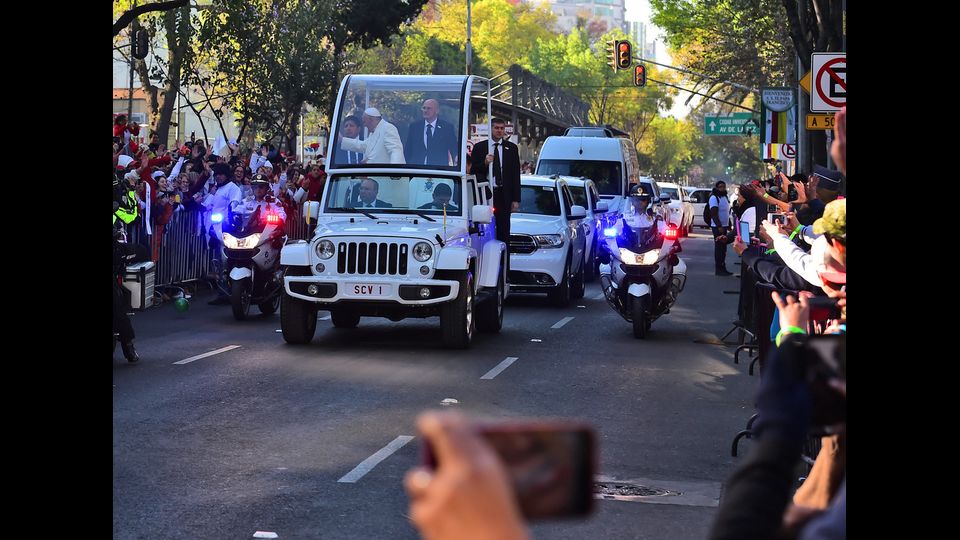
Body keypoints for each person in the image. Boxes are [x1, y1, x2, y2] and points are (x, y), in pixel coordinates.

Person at [470, 117, 521, 247]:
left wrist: (516, 199)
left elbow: (515, 174)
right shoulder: (480, 147)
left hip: (504, 194)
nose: (499, 131)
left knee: (504, 231)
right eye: (496, 128)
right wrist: (485, 163)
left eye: (502, 128)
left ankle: (504, 258)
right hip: (487, 194)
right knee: (485, 228)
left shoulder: (511, 148)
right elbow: (473, 171)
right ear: (491, 129)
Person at [202, 162, 243, 304]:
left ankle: (232, 291)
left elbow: (234, 203)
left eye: (221, 174)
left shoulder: (233, 188)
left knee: (227, 261)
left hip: (227, 230)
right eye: (217, 174)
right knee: (218, 262)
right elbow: (206, 205)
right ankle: (223, 292)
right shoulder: (217, 189)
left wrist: (230, 215)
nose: (218, 177)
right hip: (214, 230)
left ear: (226, 175)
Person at [338, 107, 405, 164]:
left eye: (364, 122)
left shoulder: (388, 128)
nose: (364, 125)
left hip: (388, 174)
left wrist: (394, 170)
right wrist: (342, 140)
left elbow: (396, 151)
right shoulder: (373, 133)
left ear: (371, 120)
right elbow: (362, 145)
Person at [404, 99, 458, 167]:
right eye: (424, 108)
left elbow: (453, 147)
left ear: (437, 111)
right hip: (417, 168)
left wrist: (456, 159)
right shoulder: (414, 127)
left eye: (429, 108)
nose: (425, 110)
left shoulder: (446, 127)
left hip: (438, 168)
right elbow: (408, 149)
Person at [708, 180, 732, 275]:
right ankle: (718, 269)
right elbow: (714, 213)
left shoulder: (725, 197)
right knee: (719, 248)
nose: (722, 188)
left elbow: (726, 213)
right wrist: (719, 226)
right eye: (720, 187)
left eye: (723, 187)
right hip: (717, 227)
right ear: (717, 188)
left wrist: (729, 224)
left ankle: (723, 267)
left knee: (723, 249)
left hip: (724, 226)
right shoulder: (714, 198)